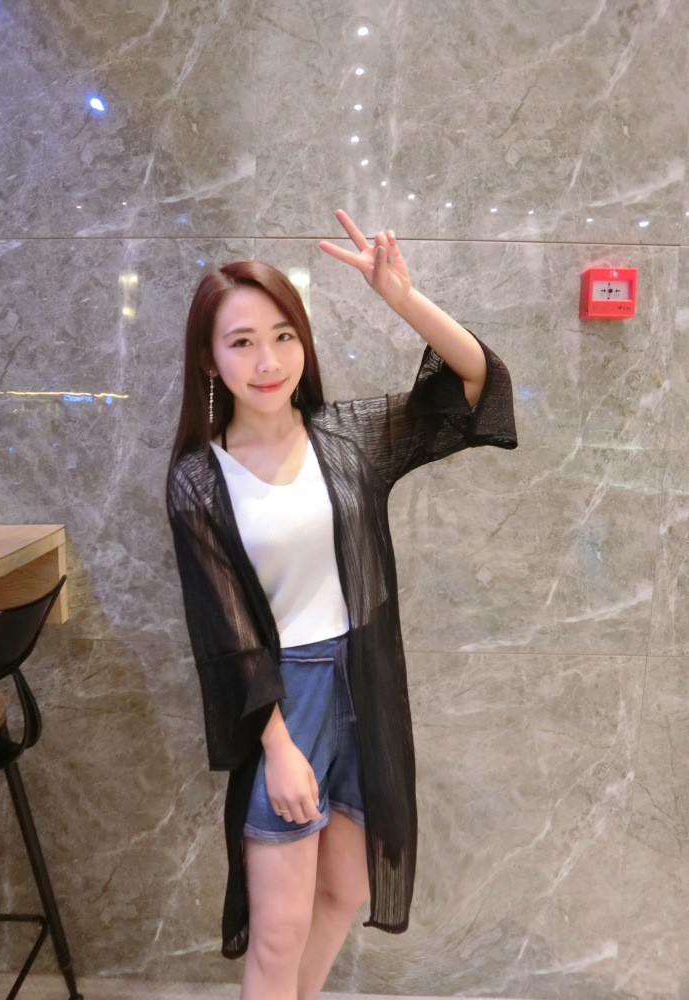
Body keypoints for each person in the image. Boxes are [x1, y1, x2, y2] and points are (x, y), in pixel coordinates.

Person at [166, 210, 517, 1000]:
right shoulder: (199, 479)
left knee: (344, 891)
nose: (268, 361)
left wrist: (402, 299)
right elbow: (224, 636)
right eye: (242, 342)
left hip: (365, 682)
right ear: (210, 360)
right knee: (278, 928)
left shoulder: (347, 439)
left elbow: (478, 388)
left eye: (283, 336)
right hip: (282, 700)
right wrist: (279, 746)